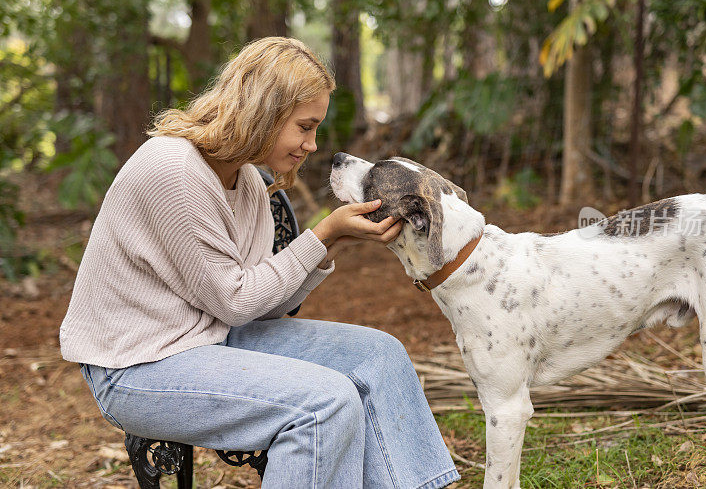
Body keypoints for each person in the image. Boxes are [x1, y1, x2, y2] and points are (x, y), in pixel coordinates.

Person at [59, 37, 460, 489]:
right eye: (304, 127)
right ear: (263, 113)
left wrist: (335, 243)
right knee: (323, 405)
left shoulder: (247, 180)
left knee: (380, 356)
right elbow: (236, 302)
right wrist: (323, 234)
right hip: (136, 365)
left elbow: (260, 308)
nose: (311, 145)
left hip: (210, 337)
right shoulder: (173, 172)